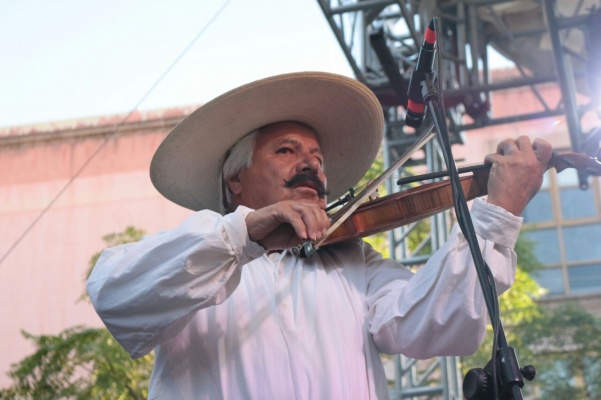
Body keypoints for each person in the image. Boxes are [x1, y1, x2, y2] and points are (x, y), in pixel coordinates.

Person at [87, 71, 552, 399]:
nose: (310, 163)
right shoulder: (203, 245)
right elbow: (116, 296)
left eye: (318, 157)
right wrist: (247, 236)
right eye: (286, 151)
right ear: (236, 179)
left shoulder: (354, 261)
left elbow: (436, 325)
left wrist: (499, 211)